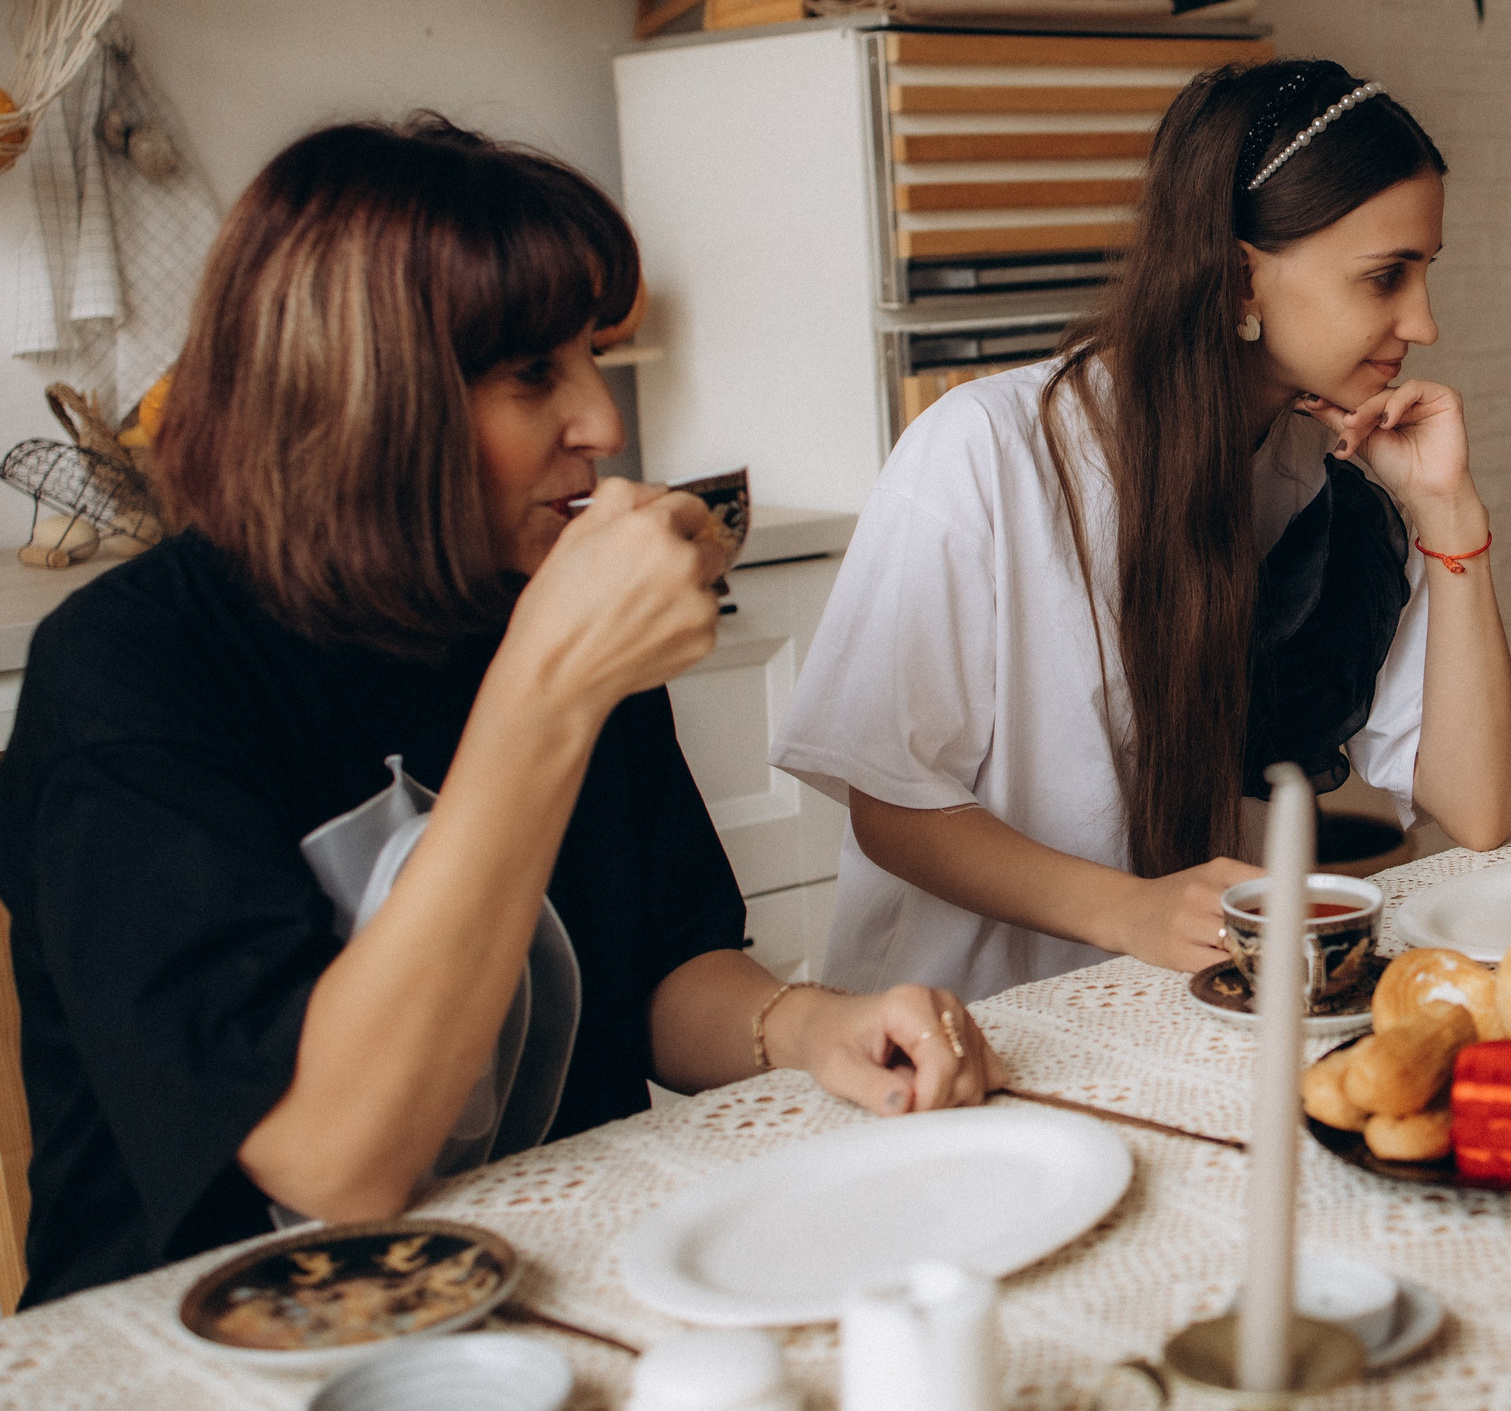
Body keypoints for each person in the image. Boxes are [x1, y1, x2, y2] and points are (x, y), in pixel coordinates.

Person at [0, 118, 999, 1306]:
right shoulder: (132, 669)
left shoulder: (527, 595)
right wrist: (553, 686)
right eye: (535, 374)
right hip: (222, 1333)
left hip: (544, 1272)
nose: (603, 424)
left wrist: (809, 1027)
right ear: (365, 394)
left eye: (593, 357)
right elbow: (334, 1160)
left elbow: (665, 971)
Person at [777, 61, 1511, 1001]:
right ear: (1241, 275)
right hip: (960, 1039)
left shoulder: (1328, 486)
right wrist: (1130, 911)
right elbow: (892, 803)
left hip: (1187, 1019)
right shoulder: (984, 452)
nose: (1423, 320)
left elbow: (1481, 805)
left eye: (1424, 271)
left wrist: (1449, 515)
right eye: (1386, 277)